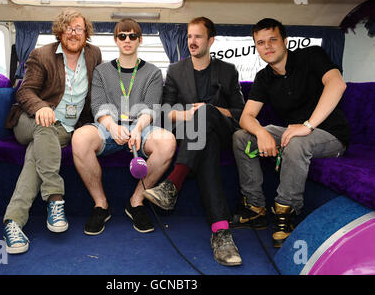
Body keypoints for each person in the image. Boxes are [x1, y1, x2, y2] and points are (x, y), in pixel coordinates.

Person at [230, 18, 350, 248]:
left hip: (329, 134)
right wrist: (262, 134)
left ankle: (285, 214)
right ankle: (255, 208)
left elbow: (337, 84)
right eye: (261, 42)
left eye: (273, 40)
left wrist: (308, 125)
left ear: (285, 41)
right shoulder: (264, 77)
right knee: (242, 138)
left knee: (296, 143)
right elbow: (246, 118)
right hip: (293, 131)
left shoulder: (311, 56)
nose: (267, 46)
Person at [143, 17, 245, 266]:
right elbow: (164, 112)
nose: (192, 41)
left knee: (208, 114)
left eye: (198, 36)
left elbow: (241, 113)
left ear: (210, 40)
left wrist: (210, 110)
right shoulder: (176, 71)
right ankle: (221, 232)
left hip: (221, 130)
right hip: (194, 135)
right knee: (204, 142)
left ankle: (172, 184)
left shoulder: (228, 70)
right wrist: (191, 113)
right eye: (189, 36)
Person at [2, 8, 102, 254]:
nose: (73, 32)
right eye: (68, 27)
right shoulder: (42, 54)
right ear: (60, 31)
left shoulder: (94, 54)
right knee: (44, 127)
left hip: (65, 128)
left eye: (79, 28)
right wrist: (40, 107)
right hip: (29, 121)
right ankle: (55, 199)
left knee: (37, 152)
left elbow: (98, 90)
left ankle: (12, 222)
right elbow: (24, 91)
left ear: (86, 33)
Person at [71, 18, 176, 235]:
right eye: (122, 36)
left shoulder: (154, 72)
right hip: (108, 127)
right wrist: (111, 126)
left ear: (140, 40)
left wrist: (137, 129)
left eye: (132, 36)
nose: (127, 40)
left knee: (168, 142)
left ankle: (136, 202)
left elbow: (150, 108)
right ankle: (101, 205)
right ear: (116, 40)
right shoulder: (101, 71)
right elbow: (98, 105)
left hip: (142, 128)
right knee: (80, 138)